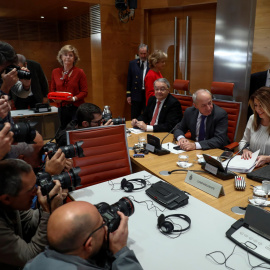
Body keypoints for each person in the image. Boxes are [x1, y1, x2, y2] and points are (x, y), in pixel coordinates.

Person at [23, 201, 143, 270]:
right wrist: (121, 250)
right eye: (102, 224)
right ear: (89, 244)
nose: (106, 227)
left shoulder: (32, 264)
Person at [0, 159, 65, 270]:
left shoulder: (12, 201)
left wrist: (47, 205)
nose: (36, 191)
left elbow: (30, 223)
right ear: (6, 199)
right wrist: (47, 211)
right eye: (31, 190)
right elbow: (30, 257)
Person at [50, 45, 88, 130]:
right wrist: (55, 99)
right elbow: (52, 90)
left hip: (75, 107)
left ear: (74, 58)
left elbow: (84, 92)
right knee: (63, 131)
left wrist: (73, 98)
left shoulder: (79, 72)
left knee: (75, 131)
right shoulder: (55, 72)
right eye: (65, 54)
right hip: (61, 108)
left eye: (71, 55)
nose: (68, 57)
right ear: (61, 57)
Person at [240, 87, 270, 167]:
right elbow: (243, 142)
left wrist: (267, 158)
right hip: (251, 165)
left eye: (261, 105)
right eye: (256, 105)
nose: (257, 109)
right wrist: (245, 150)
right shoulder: (252, 118)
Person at [126, 43, 150, 119]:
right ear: (138, 53)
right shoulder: (132, 63)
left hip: (147, 94)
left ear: (148, 53)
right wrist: (128, 95)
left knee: (148, 115)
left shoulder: (152, 64)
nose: (143, 56)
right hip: (136, 94)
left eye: (145, 53)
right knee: (135, 116)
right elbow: (129, 80)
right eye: (141, 54)